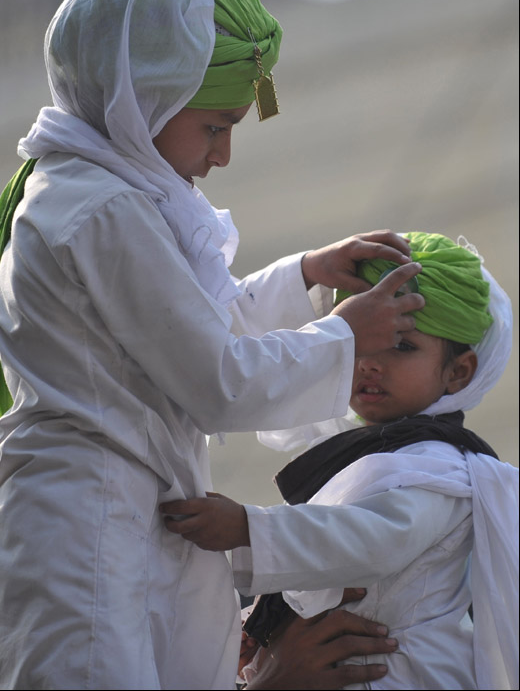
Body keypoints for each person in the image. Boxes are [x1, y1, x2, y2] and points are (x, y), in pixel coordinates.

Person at [0, 0, 425, 690]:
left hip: (138, 512)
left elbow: (187, 334)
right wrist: (348, 334)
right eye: (215, 125)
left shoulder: (119, 196)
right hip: (84, 524)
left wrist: (305, 275)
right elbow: (213, 378)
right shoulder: (100, 207)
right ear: (139, 99)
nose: (223, 153)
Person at [161, 232, 519, 690]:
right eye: (364, 338)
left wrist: (247, 529)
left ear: (458, 372)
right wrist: (265, 624)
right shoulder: (358, 451)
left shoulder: (439, 464)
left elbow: (372, 541)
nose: (370, 362)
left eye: (402, 346)